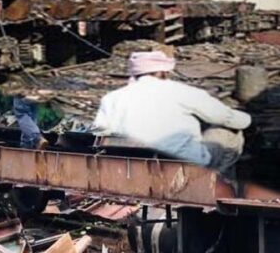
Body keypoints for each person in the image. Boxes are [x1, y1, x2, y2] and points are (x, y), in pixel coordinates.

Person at [93, 51, 251, 174]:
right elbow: (225, 117)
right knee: (229, 131)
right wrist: (248, 119)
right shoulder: (182, 91)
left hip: (131, 167)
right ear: (163, 72)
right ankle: (217, 179)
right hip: (183, 164)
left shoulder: (112, 98)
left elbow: (99, 133)